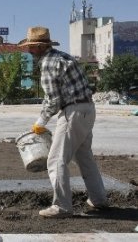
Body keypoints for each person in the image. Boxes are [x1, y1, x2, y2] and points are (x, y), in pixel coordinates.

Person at [18, 26, 108, 218]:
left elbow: (53, 99)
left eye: (31, 47)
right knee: (84, 157)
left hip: (73, 111)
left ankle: (62, 206)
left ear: (41, 47)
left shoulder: (49, 63)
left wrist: (40, 121)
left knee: (56, 159)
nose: (29, 50)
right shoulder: (63, 56)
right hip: (87, 109)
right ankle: (99, 199)